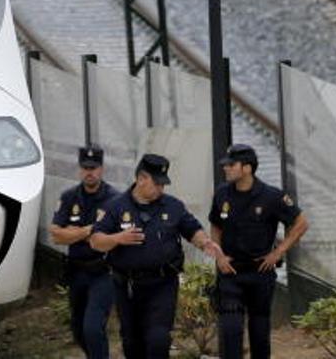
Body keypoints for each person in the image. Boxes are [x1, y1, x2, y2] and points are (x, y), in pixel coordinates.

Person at [91, 153, 225, 359]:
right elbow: (96, 241)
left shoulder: (173, 206)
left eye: (164, 184)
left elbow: (192, 229)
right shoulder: (115, 207)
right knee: (131, 342)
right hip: (127, 286)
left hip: (162, 284)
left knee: (158, 340)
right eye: (157, 183)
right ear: (141, 179)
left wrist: (205, 242)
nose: (162, 189)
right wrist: (118, 238)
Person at [209, 144, 309, 359]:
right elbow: (216, 225)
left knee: (260, 331)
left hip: (260, 273)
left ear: (247, 168)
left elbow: (301, 223)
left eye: (231, 165)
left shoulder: (271, 196)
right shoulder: (222, 193)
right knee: (231, 329)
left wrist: (279, 251)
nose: (226, 169)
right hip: (230, 272)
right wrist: (218, 256)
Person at [49, 144, 121, 359]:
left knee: (92, 327)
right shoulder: (69, 197)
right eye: (85, 167)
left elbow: (112, 238)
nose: (90, 172)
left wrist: (72, 232)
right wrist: (90, 229)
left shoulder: (114, 199)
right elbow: (55, 235)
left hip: (103, 271)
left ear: (102, 169)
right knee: (78, 329)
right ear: (80, 169)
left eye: (94, 167)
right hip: (77, 271)